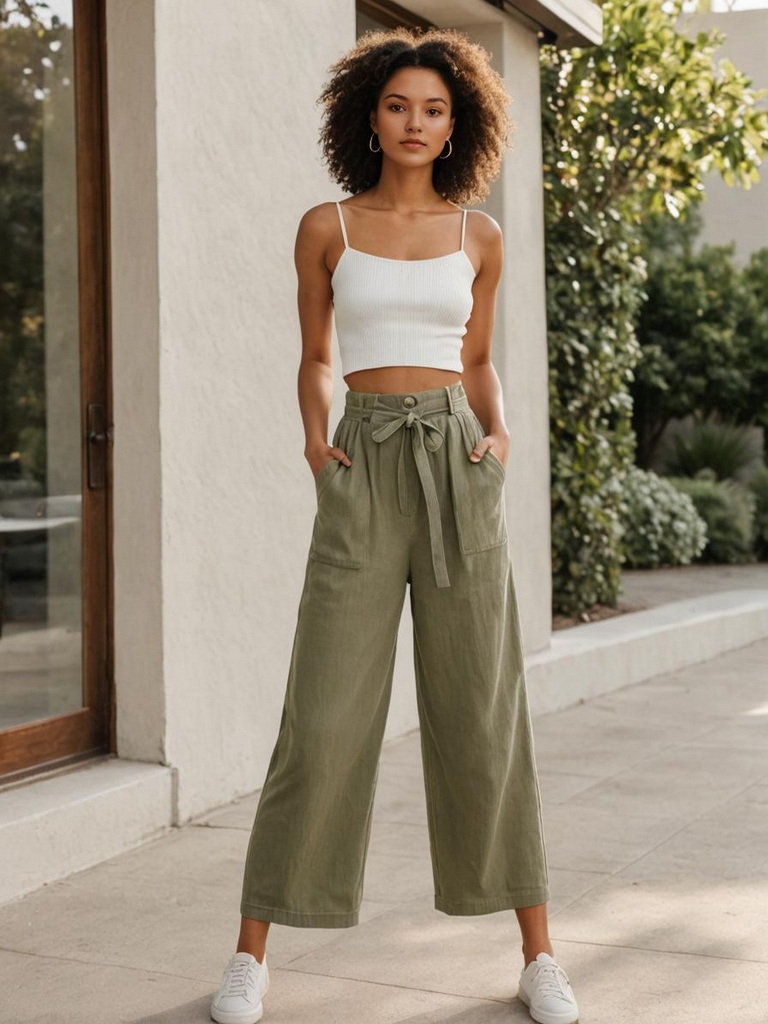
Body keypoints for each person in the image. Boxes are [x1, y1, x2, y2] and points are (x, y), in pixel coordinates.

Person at [210, 25, 580, 1024]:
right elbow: (317, 351)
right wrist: (313, 437)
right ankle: (252, 950)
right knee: (324, 710)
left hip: (458, 464)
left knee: (482, 710)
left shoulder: (480, 235)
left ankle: (539, 953)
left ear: (456, 124)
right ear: (366, 116)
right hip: (362, 461)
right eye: (399, 106)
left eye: (435, 109)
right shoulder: (325, 225)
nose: (416, 123)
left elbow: (476, 358)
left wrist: (499, 438)